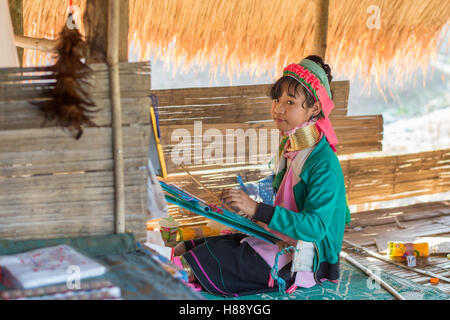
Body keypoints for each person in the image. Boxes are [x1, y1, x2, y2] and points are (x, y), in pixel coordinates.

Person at [172, 55, 351, 297]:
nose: (278, 108)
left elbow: (315, 228)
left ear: (315, 108)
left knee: (205, 264)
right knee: (196, 248)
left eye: (290, 102)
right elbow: (283, 199)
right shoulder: (292, 146)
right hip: (282, 238)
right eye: (277, 99)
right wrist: (246, 206)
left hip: (307, 257)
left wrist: (257, 211)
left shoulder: (323, 163)